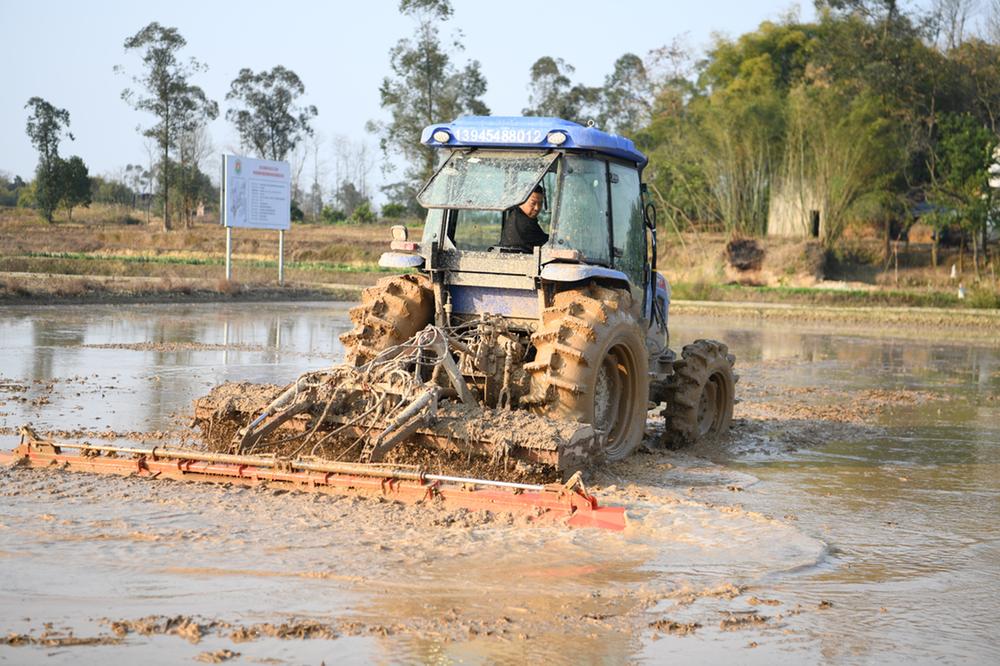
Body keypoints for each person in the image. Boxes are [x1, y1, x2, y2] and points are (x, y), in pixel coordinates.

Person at [500, 185, 548, 252]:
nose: (537, 208)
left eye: (540, 203)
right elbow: (547, 243)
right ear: (521, 201)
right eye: (533, 203)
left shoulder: (516, 216)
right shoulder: (522, 223)